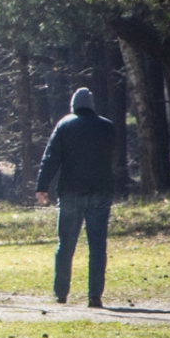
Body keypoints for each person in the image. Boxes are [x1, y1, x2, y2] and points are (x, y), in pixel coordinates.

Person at [35, 87, 117, 308]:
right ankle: (94, 296)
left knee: (66, 244)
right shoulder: (107, 127)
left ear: (74, 106)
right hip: (100, 191)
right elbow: (112, 158)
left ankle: (61, 293)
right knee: (98, 245)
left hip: (71, 191)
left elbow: (51, 157)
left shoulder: (65, 125)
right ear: (91, 105)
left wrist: (42, 186)